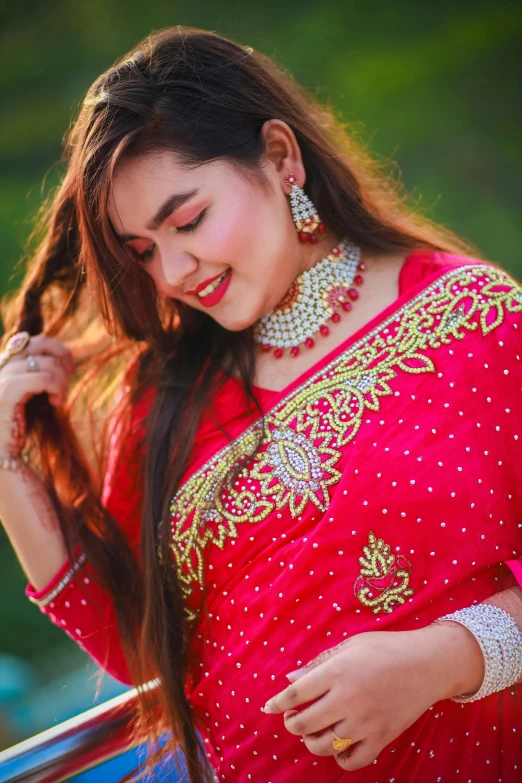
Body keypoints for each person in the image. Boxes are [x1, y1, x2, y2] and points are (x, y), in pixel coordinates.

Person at [0, 26, 520, 783]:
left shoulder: (474, 319)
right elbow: (144, 642)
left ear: (280, 156)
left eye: (188, 219)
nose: (173, 270)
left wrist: (442, 659)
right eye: (142, 249)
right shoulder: (164, 393)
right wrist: (10, 475)